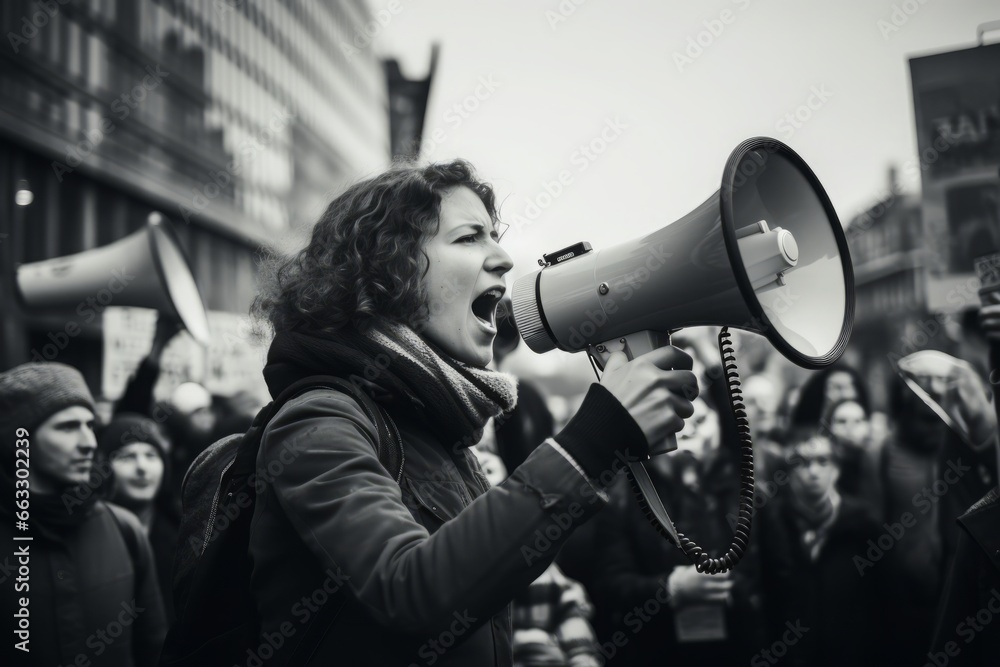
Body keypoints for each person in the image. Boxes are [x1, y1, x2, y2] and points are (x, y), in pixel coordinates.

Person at [242, 160, 698, 665]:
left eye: (494, 236)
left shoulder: (438, 431)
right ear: (382, 274)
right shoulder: (317, 422)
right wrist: (594, 440)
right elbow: (407, 590)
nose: (502, 257)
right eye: (468, 238)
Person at [0, 362, 166, 667]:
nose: (88, 443)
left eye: (90, 425)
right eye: (67, 427)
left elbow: (153, 646)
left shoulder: (123, 529)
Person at [591, 396, 765, 666]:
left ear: (720, 424)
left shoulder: (747, 490)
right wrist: (669, 589)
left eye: (701, 420)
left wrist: (732, 590)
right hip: (656, 651)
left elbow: (775, 574)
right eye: (679, 421)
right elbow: (608, 585)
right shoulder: (627, 494)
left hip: (739, 647)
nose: (690, 429)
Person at [756, 430, 886, 667]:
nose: (813, 472)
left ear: (836, 470)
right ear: (789, 472)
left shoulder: (865, 525)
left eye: (823, 462)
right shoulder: (772, 525)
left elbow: (883, 603)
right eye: (802, 463)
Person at [98, 413, 181, 623]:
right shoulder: (90, 535)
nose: (142, 467)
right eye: (127, 457)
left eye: (151, 455)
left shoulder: (187, 532)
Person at [820, 397, 883, 518]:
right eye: (841, 421)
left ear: (869, 425)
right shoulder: (822, 462)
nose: (850, 427)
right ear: (829, 427)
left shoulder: (880, 462)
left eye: (858, 421)